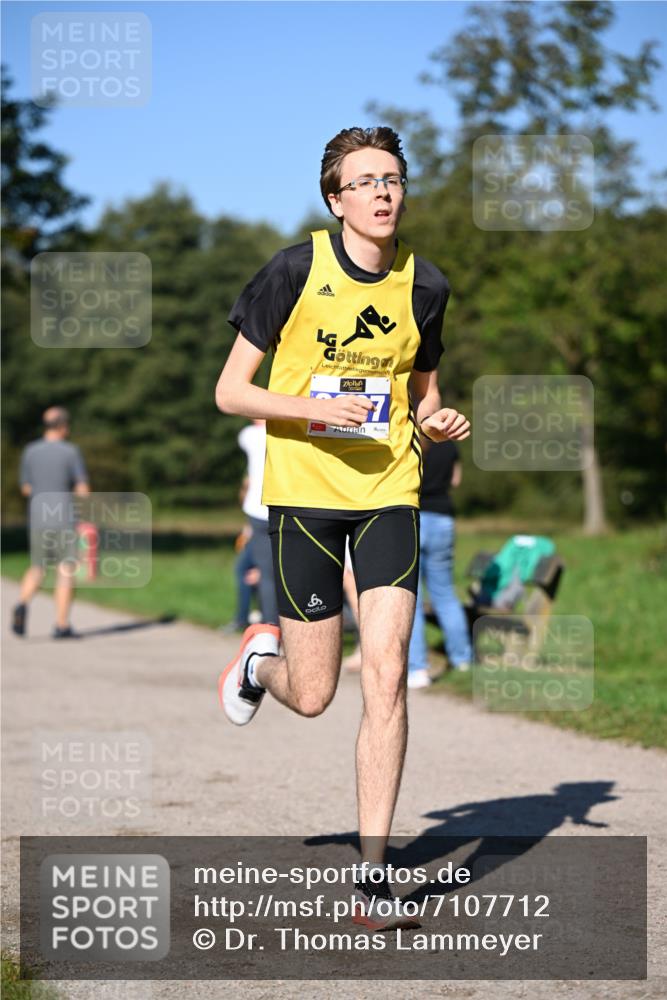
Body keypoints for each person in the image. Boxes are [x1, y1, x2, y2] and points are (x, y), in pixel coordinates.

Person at [215, 126, 470, 930]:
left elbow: (420, 392)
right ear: (336, 199)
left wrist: (435, 423)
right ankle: (261, 663)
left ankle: (372, 878)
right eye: (364, 181)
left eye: (392, 178)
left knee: (386, 674)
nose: (383, 192)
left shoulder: (425, 284)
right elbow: (230, 392)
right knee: (318, 692)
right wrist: (311, 408)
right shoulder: (294, 270)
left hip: (391, 490)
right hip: (305, 496)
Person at [11, 407, 90, 639]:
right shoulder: (71, 452)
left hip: (38, 517)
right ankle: (61, 625)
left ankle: (23, 603)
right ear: (63, 426)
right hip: (64, 517)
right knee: (65, 570)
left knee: (38, 566)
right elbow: (83, 489)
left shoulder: (30, 451)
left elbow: (26, 488)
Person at [407, 439, 472, 689]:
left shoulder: (409, 432)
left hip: (412, 515)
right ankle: (462, 659)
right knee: (445, 593)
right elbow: (455, 480)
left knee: (411, 596)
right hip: (443, 519)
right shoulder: (450, 443)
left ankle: (417, 669)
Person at [237, 419, 279, 625]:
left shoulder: (249, 435)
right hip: (288, 505)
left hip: (259, 510)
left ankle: (271, 630)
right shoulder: (289, 431)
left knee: (267, 576)